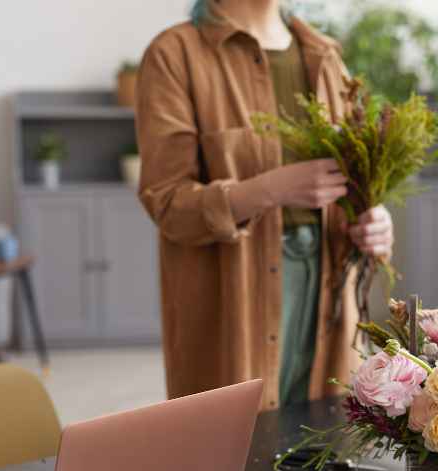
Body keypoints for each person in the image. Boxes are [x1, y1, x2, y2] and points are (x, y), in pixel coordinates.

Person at [135, 0, 394, 410]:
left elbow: (354, 181)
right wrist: (268, 189)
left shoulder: (325, 56)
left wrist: (375, 220)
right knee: (234, 455)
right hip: (234, 289)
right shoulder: (175, 54)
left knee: (326, 445)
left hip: (329, 287)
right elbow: (168, 203)